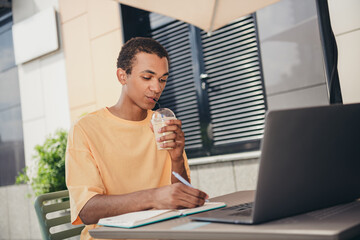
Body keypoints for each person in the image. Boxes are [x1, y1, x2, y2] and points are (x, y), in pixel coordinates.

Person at [65, 37, 208, 240]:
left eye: (162, 79)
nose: (157, 88)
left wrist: (176, 159)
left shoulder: (163, 124)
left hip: (162, 233)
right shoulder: (86, 129)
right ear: (122, 76)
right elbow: (86, 210)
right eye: (147, 77)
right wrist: (154, 197)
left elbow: (181, 196)